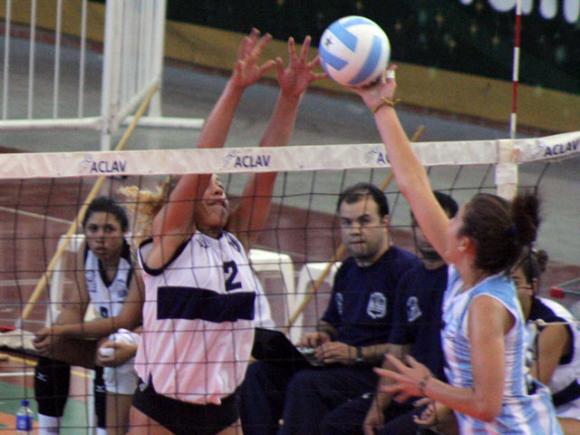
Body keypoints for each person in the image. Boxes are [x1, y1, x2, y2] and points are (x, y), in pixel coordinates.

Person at [127, 29, 322, 435]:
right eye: (208, 185)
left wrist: (290, 97)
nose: (218, 190)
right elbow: (202, 161)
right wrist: (236, 87)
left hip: (222, 410)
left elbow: (267, 170)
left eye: (221, 184)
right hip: (162, 409)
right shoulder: (167, 241)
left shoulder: (235, 242)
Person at [350, 67, 562, 433]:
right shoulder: (462, 269)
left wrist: (425, 385)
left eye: (456, 217)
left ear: (466, 243)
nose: (445, 222)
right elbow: (413, 183)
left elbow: (486, 405)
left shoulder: (486, 306)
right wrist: (380, 106)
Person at [240, 182, 420, 435]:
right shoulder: (348, 269)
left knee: (306, 385)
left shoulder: (405, 271)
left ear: (385, 222)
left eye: (364, 221)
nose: (355, 230)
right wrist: (322, 335)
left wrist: (355, 353)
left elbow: (407, 347)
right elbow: (331, 322)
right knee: (261, 374)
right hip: (340, 366)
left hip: (374, 372)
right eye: (347, 223)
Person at [319, 191, 458, 435]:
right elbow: (397, 352)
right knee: (337, 424)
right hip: (410, 389)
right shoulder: (410, 280)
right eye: (420, 225)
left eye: (435, 224)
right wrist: (377, 406)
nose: (427, 232)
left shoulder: (460, 279)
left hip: (446, 394)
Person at [33, 196, 143, 435]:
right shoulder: (86, 252)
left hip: (140, 342)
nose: (100, 236)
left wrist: (61, 330)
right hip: (107, 337)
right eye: (93, 229)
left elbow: (125, 321)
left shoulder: (136, 260)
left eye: (109, 229)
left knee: (108, 350)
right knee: (50, 349)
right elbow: (76, 305)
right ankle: (47, 431)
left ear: (124, 232)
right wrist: (54, 333)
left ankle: (104, 430)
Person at [513, 248, 580, 435]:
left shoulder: (552, 326)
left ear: (532, 286)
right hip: (538, 410)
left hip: (569, 410)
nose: (506, 291)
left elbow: (525, 395)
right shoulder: (494, 313)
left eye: (514, 282)